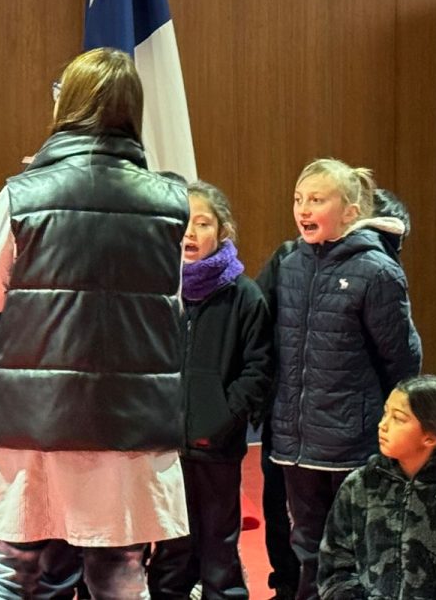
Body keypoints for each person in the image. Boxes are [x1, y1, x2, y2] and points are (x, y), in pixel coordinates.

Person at [0, 47, 190, 600]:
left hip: (37, 415)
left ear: (66, 104)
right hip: (129, 419)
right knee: (119, 569)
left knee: (11, 567)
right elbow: (174, 302)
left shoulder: (24, 192)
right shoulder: (169, 198)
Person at [269, 159, 421, 600]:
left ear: (351, 212)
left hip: (351, 442)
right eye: (299, 199)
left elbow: (402, 358)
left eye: (317, 199)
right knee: (307, 544)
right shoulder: (290, 264)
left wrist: (386, 422)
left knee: (353, 546)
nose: (303, 208)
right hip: (296, 443)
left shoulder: (377, 270)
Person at [148, 181, 274, 600]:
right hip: (163, 446)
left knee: (219, 547)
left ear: (222, 231)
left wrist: (220, 419)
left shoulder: (245, 296)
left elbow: (258, 371)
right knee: (170, 549)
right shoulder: (157, 290)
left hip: (216, 446)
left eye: (202, 223)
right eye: (183, 223)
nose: (189, 233)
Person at [318, 374, 436, 599]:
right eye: (385, 413)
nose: (382, 425)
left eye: (398, 418)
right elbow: (334, 566)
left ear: (431, 438)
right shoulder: (359, 484)